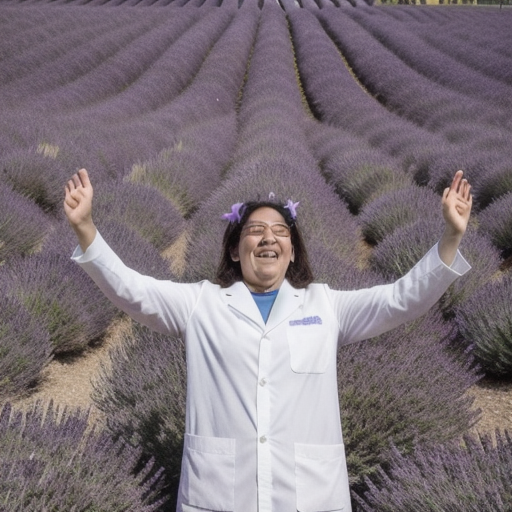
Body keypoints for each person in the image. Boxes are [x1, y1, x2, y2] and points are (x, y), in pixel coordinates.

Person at [65, 168, 472, 512]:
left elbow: (401, 299)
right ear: (235, 250)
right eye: (255, 230)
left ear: (292, 252)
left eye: (280, 231)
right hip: (220, 494)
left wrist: (451, 237)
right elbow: (132, 290)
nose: (268, 238)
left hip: (309, 495)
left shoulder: (326, 305)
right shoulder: (201, 303)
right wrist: (86, 228)